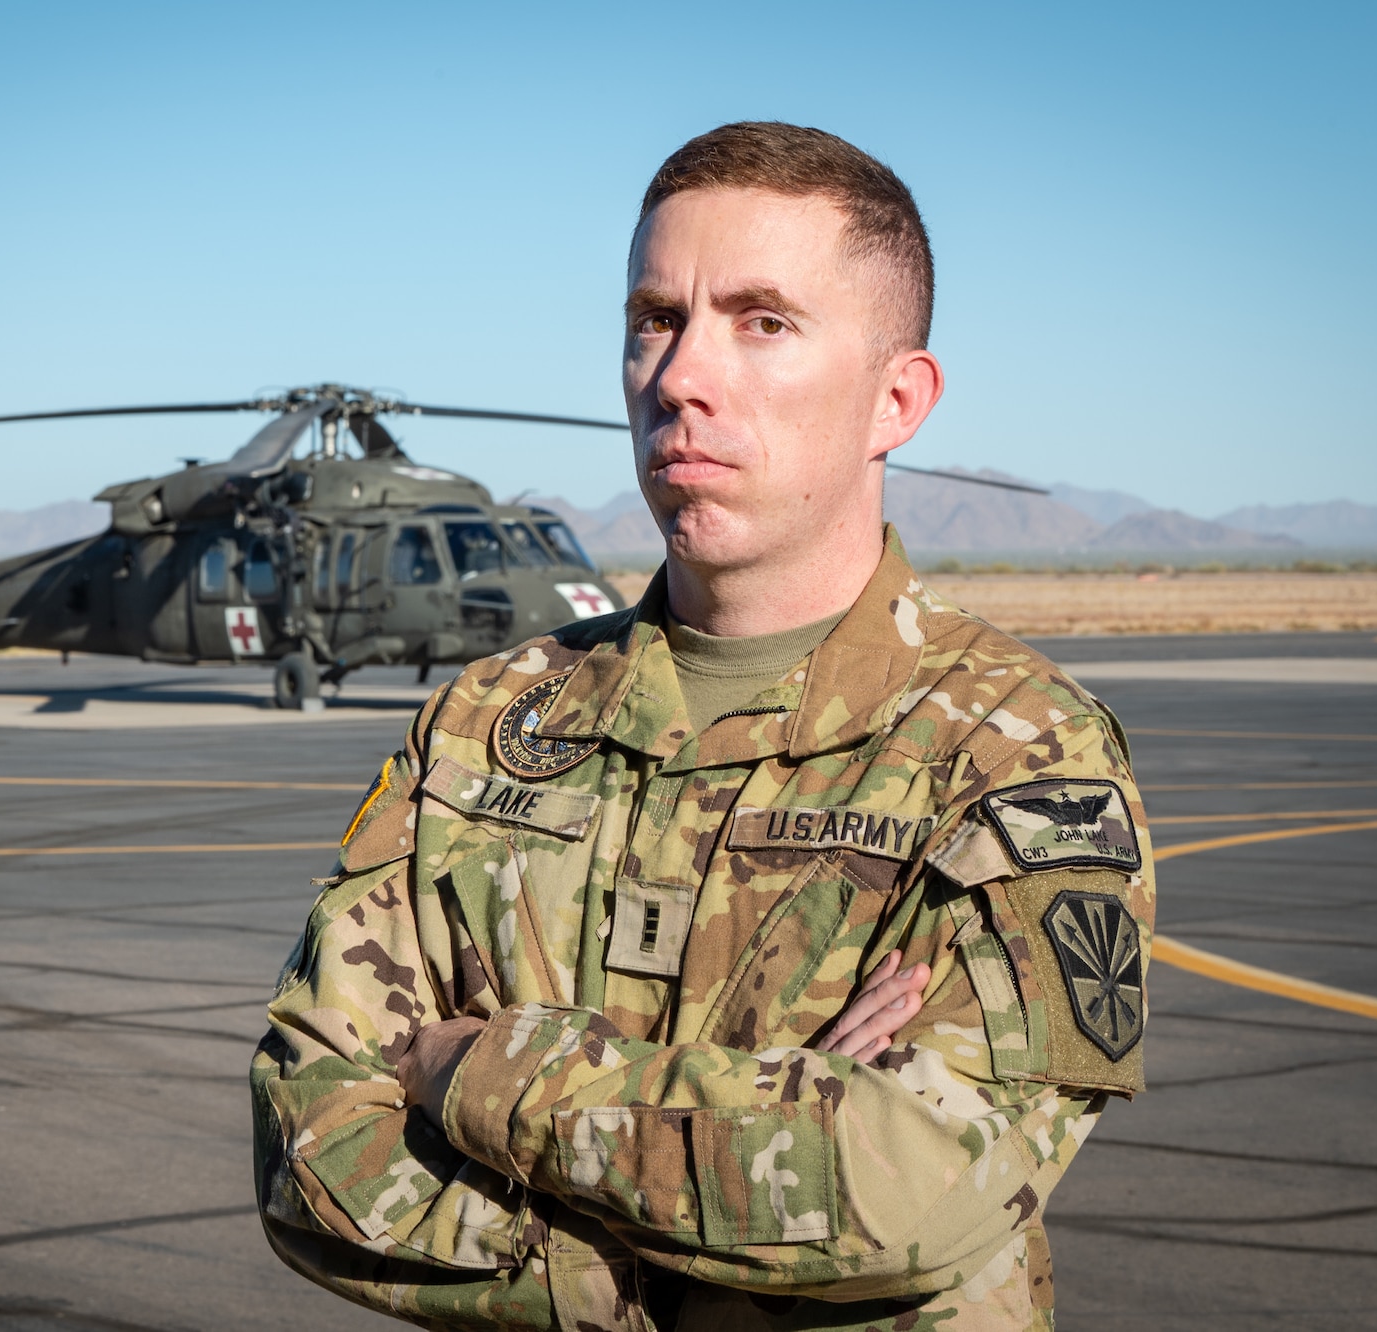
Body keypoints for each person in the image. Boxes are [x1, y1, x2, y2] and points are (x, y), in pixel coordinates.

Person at [251, 121, 1153, 1331]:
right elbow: (306, 1152)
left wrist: (467, 1070)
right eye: (653, 318)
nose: (679, 375)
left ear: (897, 398)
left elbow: (915, 1192)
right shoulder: (484, 723)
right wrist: (751, 1157)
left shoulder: (1014, 753)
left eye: (760, 321)